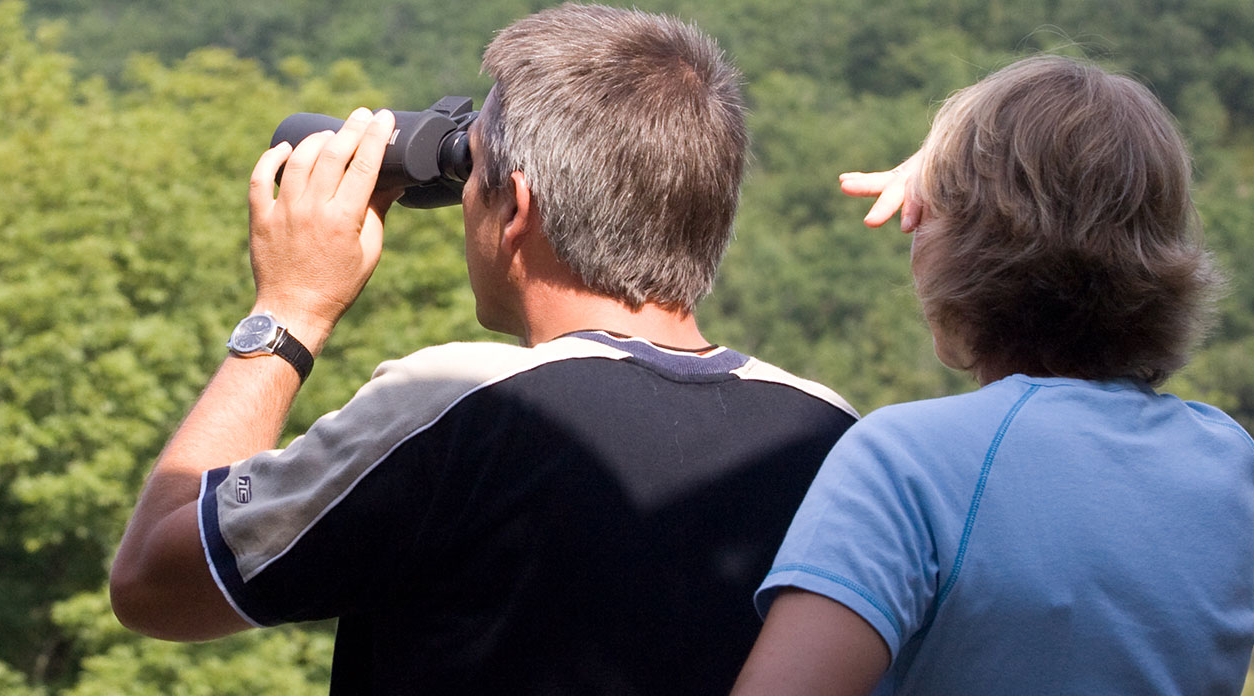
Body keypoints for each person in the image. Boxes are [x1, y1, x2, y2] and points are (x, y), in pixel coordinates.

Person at [108, 5, 859, 693]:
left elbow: (154, 580)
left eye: (471, 172)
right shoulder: (834, 438)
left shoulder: (460, 401)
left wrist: (289, 309)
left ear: (516, 210)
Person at [732, 55, 1254, 695]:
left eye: (930, 215)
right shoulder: (1226, 462)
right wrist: (963, 180)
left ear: (974, 246)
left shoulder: (908, 461)